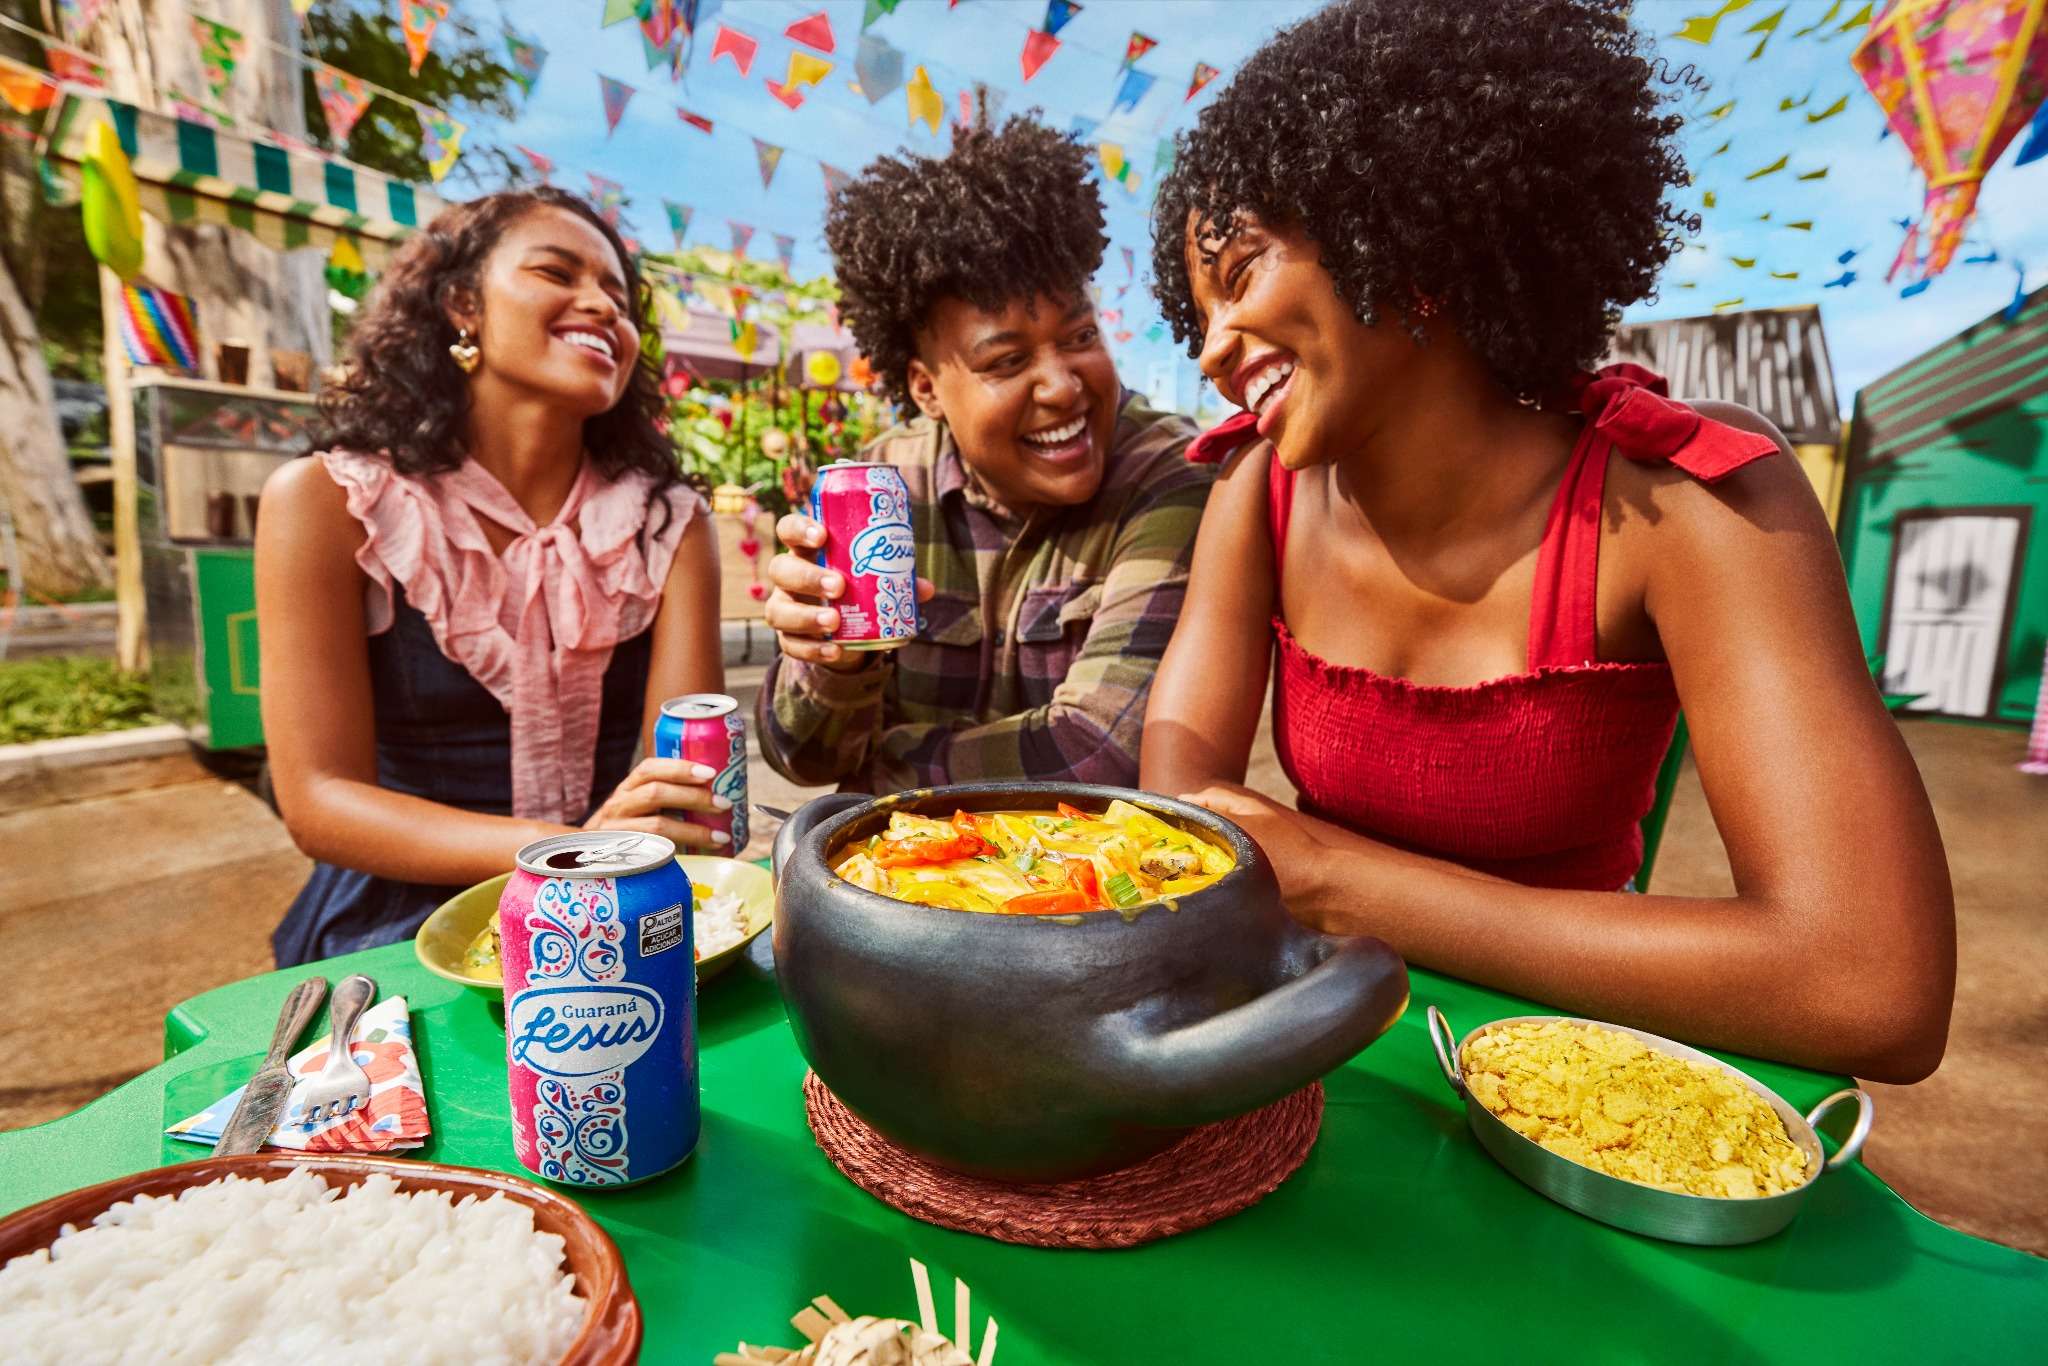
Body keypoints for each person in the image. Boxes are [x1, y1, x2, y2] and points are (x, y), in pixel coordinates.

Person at [1140, 0, 1954, 1082]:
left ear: (1400, 230)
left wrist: (1337, 882)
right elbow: (1179, 801)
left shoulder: (1684, 498)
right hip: (1330, 1038)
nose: (1210, 351)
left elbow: (1868, 984)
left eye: (1239, 276)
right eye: (1192, 317)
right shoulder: (1255, 492)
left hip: (1582, 1073)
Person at [258, 188, 725, 967]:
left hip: (619, 911)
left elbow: (678, 777)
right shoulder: (328, 504)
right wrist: (570, 850)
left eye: (618, 294)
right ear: (462, 306)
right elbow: (318, 802)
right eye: (558, 273)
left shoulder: (671, 525)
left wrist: (636, 845)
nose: (602, 306)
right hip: (392, 931)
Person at [757, 115, 1211, 794]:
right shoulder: (890, 486)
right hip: (893, 887)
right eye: (1007, 361)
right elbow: (799, 756)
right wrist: (829, 659)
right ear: (925, 387)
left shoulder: (1170, 476)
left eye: (1081, 335)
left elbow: (1096, 757)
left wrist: (878, 763)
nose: (1062, 386)